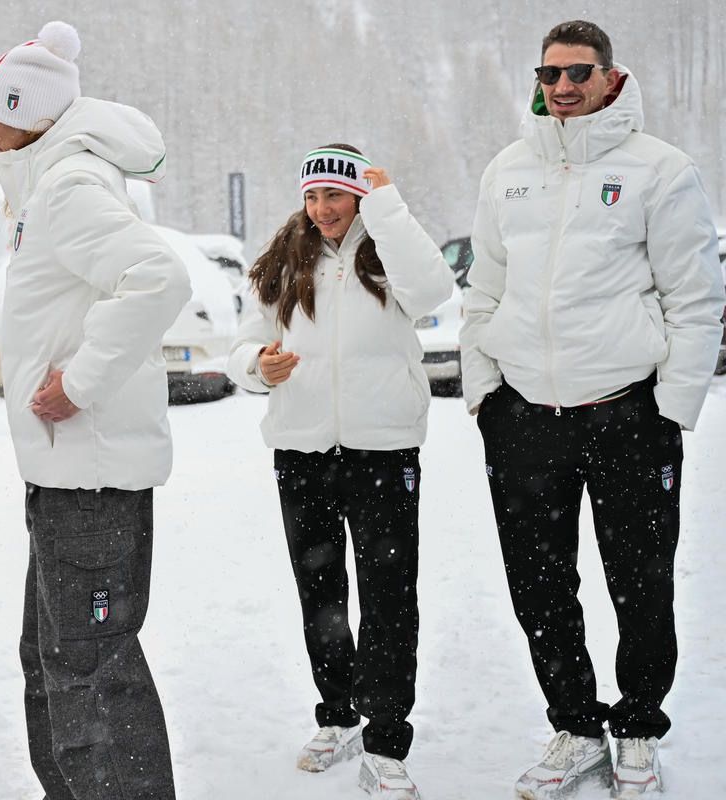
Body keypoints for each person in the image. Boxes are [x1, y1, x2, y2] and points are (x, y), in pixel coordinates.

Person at [459, 20, 725, 800]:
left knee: (640, 582)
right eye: (549, 74)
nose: (563, 86)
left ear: (612, 77)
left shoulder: (659, 169)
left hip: (626, 415)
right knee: (539, 587)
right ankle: (576, 726)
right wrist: (485, 393)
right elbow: (484, 288)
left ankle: (638, 725)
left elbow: (694, 298)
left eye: (579, 72)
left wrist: (670, 410)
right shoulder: (508, 170)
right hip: (524, 419)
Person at [0, 20, 190, 800]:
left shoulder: (67, 187)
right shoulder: (52, 183)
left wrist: (81, 382)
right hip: (71, 476)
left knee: (90, 668)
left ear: (30, 114)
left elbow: (159, 278)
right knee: (54, 659)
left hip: (89, 478)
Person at [226, 145, 454, 800]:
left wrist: (388, 208)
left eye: (335, 195)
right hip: (302, 450)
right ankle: (338, 716)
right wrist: (256, 365)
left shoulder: (388, 247)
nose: (323, 209)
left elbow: (434, 292)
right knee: (320, 593)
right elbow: (242, 342)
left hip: (382, 449)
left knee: (388, 594)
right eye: (312, 196)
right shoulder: (283, 261)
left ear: (359, 195)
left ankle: (385, 739)